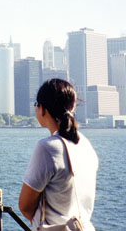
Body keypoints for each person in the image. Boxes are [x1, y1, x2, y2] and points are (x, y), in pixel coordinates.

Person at [18, 79, 98, 231]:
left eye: (36, 104)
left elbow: (25, 206)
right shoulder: (86, 145)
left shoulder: (47, 148)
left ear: (43, 109)